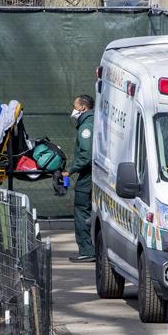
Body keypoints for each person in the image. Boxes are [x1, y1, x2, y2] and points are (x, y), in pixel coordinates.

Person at [62, 95, 95, 262]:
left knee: (82, 212)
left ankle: (87, 251)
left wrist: (71, 171)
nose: (73, 110)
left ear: (82, 107)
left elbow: (86, 155)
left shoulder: (86, 127)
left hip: (87, 177)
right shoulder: (96, 121)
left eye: (75, 106)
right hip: (93, 176)